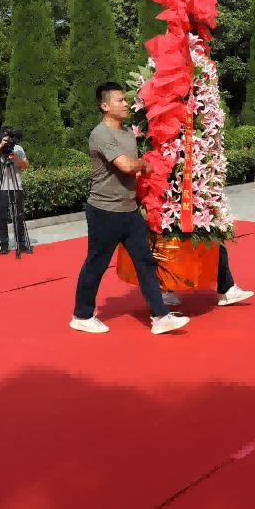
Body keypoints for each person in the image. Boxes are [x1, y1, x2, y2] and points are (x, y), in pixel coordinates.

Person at [70, 83, 189, 336]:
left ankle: (160, 316)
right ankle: (81, 315)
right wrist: (145, 166)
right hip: (104, 211)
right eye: (120, 100)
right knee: (97, 263)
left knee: (145, 262)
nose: (126, 104)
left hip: (129, 210)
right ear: (104, 106)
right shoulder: (101, 134)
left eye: (126, 100)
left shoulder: (126, 133)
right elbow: (125, 166)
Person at [0, 129, 31, 255]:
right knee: (2, 216)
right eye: (5, 137)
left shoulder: (18, 148)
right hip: (1, 188)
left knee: (18, 216)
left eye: (9, 138)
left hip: (16, 186)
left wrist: (16, 159)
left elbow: (25, 166)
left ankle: (22, 243)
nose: (8, 139)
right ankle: (4, 244)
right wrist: (2, 144)